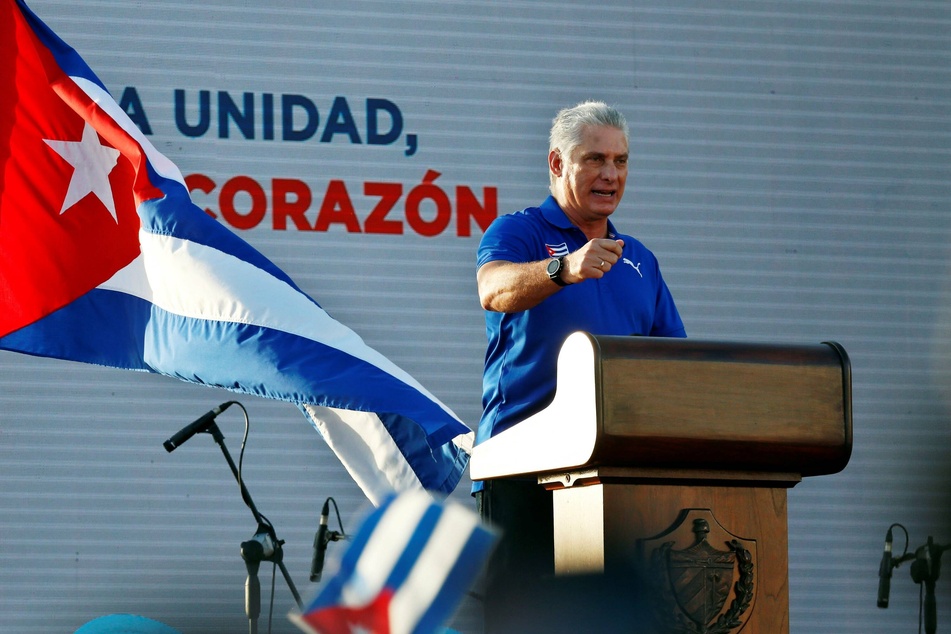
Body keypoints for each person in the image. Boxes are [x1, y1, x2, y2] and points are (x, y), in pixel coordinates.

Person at [473, 100, 686, 632]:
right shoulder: (518, 230)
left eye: (621, 161)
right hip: (521, 469)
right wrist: (562, 268)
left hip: (617, 476)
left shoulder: (638, 259)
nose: (610, 175)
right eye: (594, 159)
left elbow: (674, 363)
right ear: (557, 164)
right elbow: (492, 289)